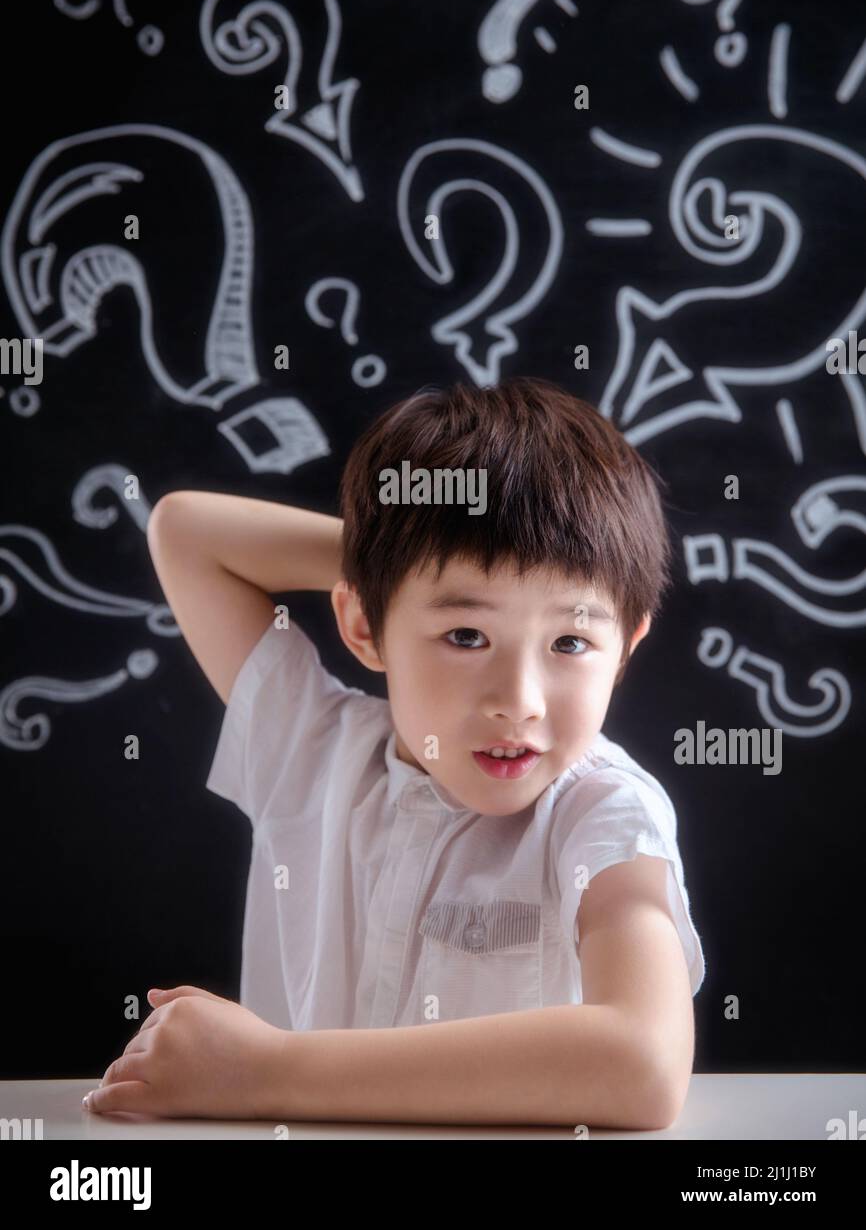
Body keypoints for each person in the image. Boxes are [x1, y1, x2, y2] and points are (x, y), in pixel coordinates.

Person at [83, 376, 705, 1128]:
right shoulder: (311, 747)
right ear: (363, 628)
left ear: (625, 647)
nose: (521, 699)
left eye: (570, 642)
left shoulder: (603, 811)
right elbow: (185, 532)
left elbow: (643, 1065)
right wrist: (400, 556)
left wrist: (267, 1071)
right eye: (466, 635)